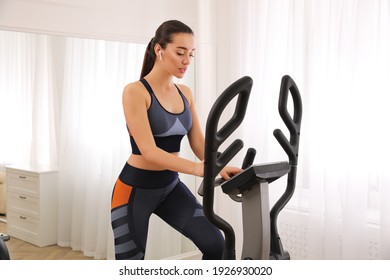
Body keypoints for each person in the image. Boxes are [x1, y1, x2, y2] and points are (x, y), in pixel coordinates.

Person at [110, 20, 241, 260]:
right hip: (134, 191)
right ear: (159, 50)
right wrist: (196, 169)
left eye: (191, 54)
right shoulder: (135, 92)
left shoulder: (185, 93)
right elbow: (148, 150)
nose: (187, 61)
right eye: (180, 53)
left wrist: (219, 167)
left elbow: (198, 143)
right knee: (130, 264)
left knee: (217, 246)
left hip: (170, 188)